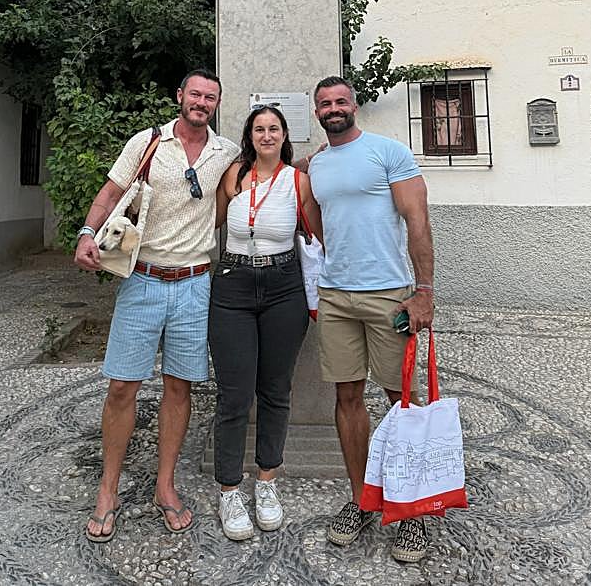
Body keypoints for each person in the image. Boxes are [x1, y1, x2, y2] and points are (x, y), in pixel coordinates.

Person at [74, 69, 239, 542]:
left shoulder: (224, 152)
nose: (202, 102)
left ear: (216, 104)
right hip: (142, 280)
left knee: (179, 388)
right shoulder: (148, 142)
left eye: (210, 97)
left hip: (194, 284)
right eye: (195, 94)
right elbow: (110, 193)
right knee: (122, 386)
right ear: (180, 96)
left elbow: (266, 168)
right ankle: (108, 489)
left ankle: (164, 486)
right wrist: (87, 233)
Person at [307, 75, 435, 564]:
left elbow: (418, 222)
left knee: (402, 401)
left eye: (341, 101)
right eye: (325, 103)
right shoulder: (317, 163)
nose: (334, 108)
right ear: (316, 111)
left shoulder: (389, 152)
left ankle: (413, 508)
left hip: (389, 297)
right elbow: (317, 219)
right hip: (337, 297)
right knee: (347, 397)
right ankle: (362, 497)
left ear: (353, 106)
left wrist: (422, 292)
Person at [209, 104, 322, 540]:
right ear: (250, 136)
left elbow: (318, 235)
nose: (267, 135)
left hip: (283, 287)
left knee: (275, 390)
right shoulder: (234, 176)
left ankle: (268, 480)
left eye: (274, 128)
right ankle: (229, 488)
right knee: (235, 394)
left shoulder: (299, 181)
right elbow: (210, 222)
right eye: (259, 128)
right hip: (233, 285)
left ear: (285, 135)